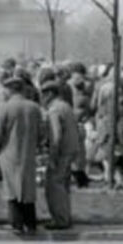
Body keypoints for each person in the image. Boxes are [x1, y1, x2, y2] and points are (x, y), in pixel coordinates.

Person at [0, 76, 44, 236]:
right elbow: (42, 133)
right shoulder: (34, 107)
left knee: (11, 187)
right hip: (28, 152)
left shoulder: (5, 108)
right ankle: (30, 222)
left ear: (10, 90)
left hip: (8, 152)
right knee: (27, 187)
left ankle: (16, 222)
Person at [42, 80, 80, 228]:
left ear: (50, 94)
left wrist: (53, 156)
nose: (42, 97)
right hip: (71, 149)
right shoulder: (66, 106)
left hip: (61, 151)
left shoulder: (54, 109)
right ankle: (65, 217)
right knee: (63, 185)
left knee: (53, 186)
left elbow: (56, 135)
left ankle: (60, 219)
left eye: (44, 94)